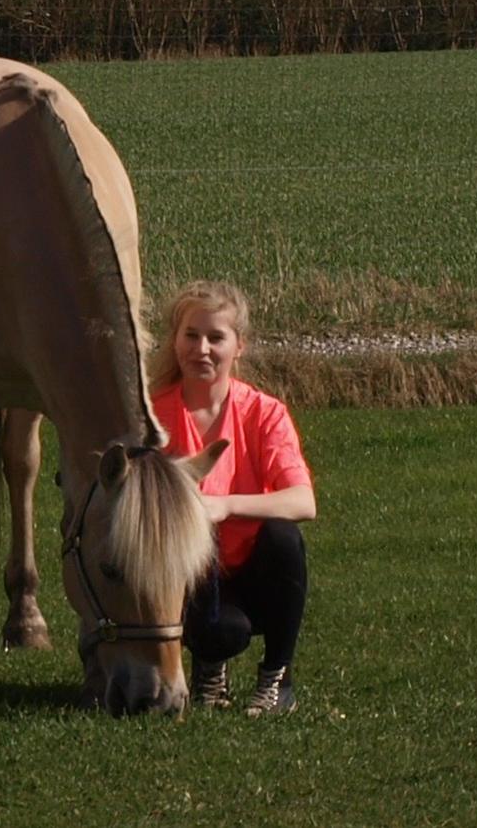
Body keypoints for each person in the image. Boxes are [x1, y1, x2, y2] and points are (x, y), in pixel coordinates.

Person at [148, 280, 316, 715]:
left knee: (283, 538)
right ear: (175, 340)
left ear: (239, 346)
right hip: (188, 574)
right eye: (191, 335)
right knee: (222, 630)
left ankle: (277, 677)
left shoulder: (263, 412)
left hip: (254, 572)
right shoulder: (152, 417)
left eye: (215, 338)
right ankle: (209, 665)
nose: (201, 348)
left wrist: (225, 505)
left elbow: (303, 501)